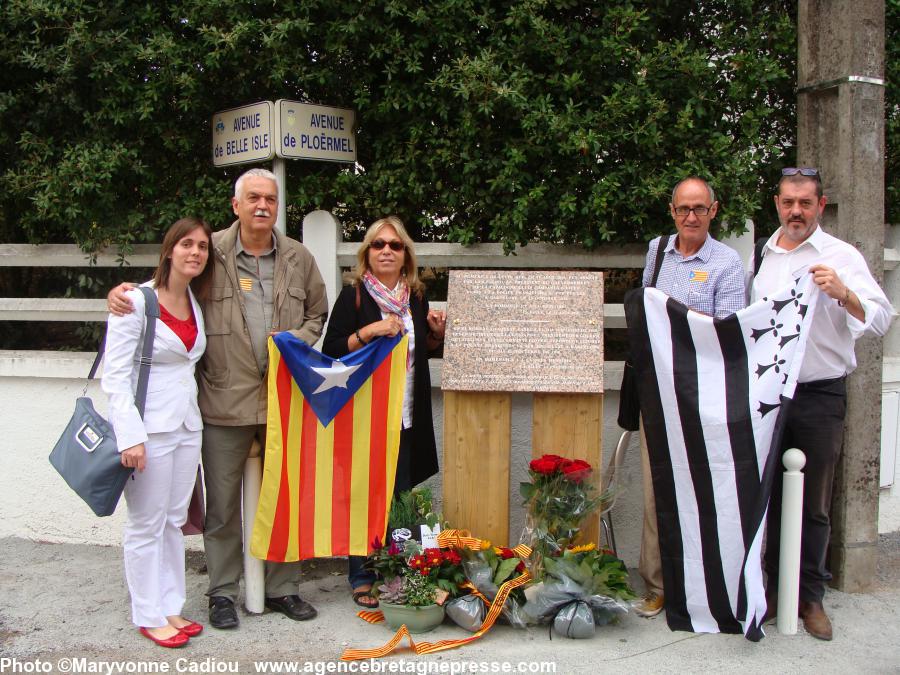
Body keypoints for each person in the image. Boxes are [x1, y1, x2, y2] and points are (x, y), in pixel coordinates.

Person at [108, 168, 329, 629]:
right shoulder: (210, 251)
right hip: (221, 404)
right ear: (236, 205)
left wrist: (297, 340)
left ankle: (282, 586)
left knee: (281, 499)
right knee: (222, 508)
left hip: (282, 403)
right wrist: (123, 293)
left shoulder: (299, 257)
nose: (262, 206)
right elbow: (170, 288)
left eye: (270, 198)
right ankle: (222, 592)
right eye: (253, 198)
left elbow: (317, 313)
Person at [751, 167, 894, 640]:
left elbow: (880, 320)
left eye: (805, 203)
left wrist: (845, 294)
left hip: (820, 393)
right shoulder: (764, 255)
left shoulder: (842, 255)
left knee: (814, 501)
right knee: (766, 494)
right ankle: (773, 593)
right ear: (777, 203)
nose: (796, 211)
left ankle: (811, 596)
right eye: (789, 202)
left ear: (821, 205)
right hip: (770, 394)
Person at [633, 176, 747, 618]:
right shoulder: (656, 251)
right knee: (655, 492)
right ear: (672, 210)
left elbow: (730, 334)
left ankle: (699, 584)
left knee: (702, 491)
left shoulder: (727, 263)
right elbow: (645, 309)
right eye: (684, 209)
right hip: (657, 396)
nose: (691, 217)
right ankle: (657, 584)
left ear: (714, 211)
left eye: (700, 209)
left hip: (703, 400)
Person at [321, 215, 445, 608]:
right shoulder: (354, 297)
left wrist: (436, 334)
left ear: (405, 254)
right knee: (365, 495)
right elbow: (332, 351)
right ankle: (361, 574)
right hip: (366, 417)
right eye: (378, 245)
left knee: (401, 495)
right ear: (367, 254)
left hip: (407, 414)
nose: (386, 251)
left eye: (394, 245)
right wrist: (371, 331)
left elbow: (419, 351)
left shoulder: (416, 297)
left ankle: (393, 569)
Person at [102, 217, 213, 648]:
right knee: (146, 523)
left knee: (172, 520)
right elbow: (114, 376)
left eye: (202, 246)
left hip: (188, 425)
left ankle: (170, 604)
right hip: (147, 430)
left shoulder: (195, 302)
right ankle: (147, 612)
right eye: (187, 244)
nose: (196, 253)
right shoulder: (135, 301)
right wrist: (129, 436)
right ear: (169, 250)